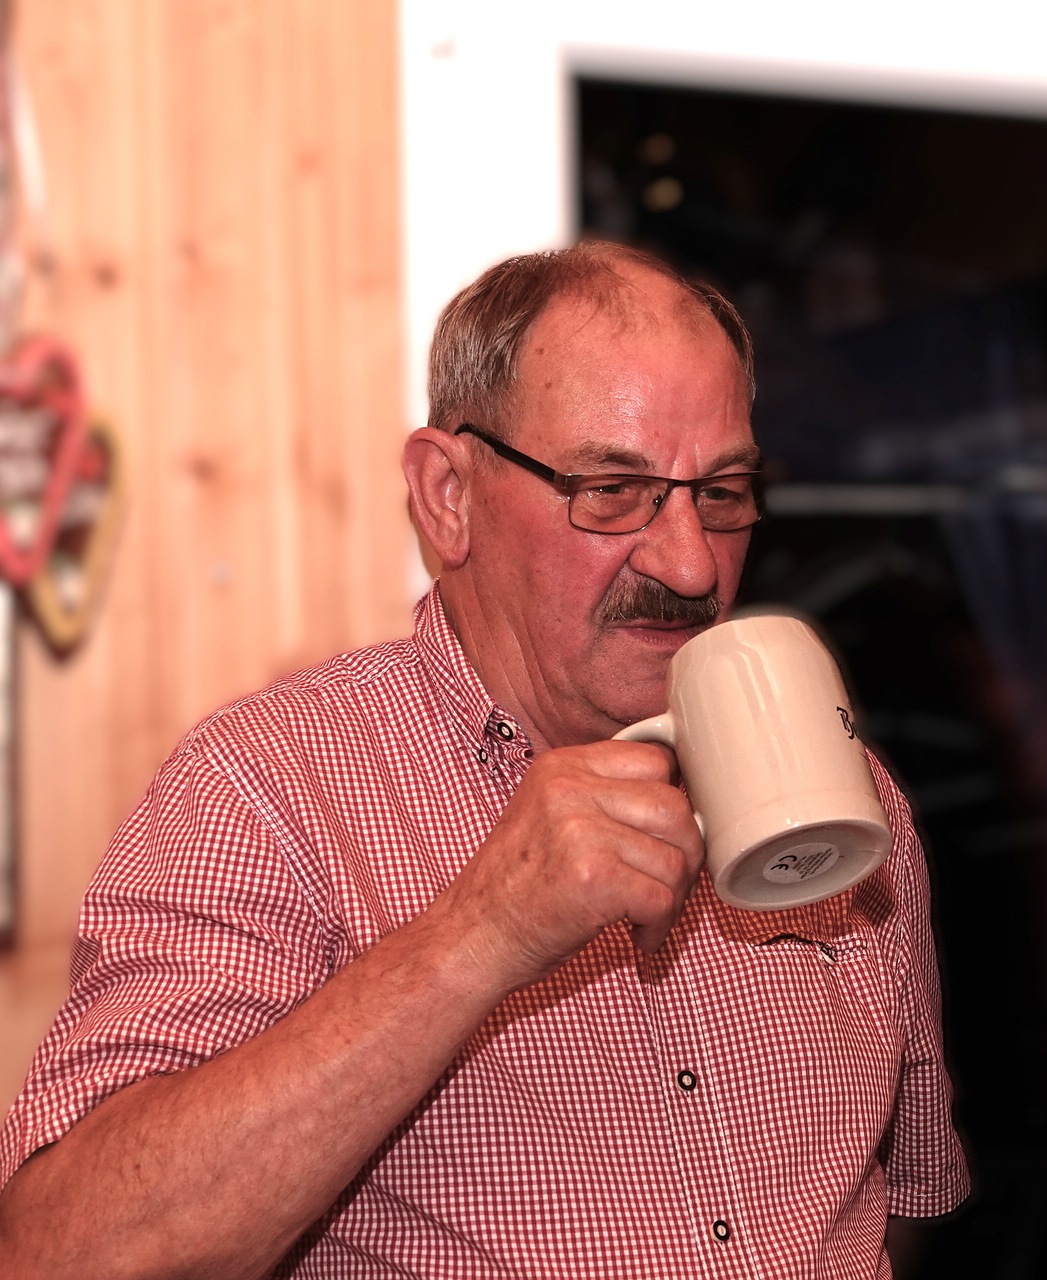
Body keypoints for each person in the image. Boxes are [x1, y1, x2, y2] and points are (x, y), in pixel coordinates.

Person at [0, 242, 969, 1278]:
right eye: (612, 489)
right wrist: (484, 933)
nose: (693, 565)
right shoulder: (272, 787)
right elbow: (62, 1251)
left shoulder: (840, 788)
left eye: (723, 492)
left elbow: (897, 1199)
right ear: (447, 495)